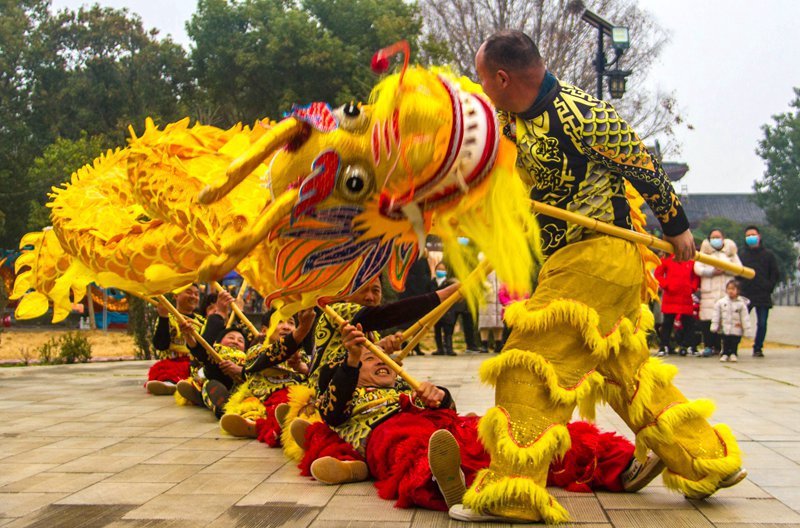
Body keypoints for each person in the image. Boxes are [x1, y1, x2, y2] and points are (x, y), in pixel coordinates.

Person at [460, 30, 744, 523]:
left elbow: (646, 169)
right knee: (627, 373)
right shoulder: (506, 119)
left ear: (503, 78)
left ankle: (513, 491)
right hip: (568, 259)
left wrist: (677, 228)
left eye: (484, 80)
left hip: (599, 256)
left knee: (530, 363)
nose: (481, 88)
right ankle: (702, 459)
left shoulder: (584, 113)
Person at [298, 323, 664, 511]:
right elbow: (331, 412)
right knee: (411, 449)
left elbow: (449, 413)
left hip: (446, 429)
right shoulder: (347, 399)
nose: (381, 362)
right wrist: (349, 359)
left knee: (524, 434)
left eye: (386, 360)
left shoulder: (406, 392)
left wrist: (440, 397)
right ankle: (449, 484)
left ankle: (623, 466)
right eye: (370, 359)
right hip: (390, 434)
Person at [217, 309, 315, 441]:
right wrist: (299, 335)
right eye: (279, 321)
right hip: (262, 396)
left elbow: (313, 374)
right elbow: (268, 358)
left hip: (294, 394)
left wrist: (301, 367)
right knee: (251, 407)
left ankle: (296, 428)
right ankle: (253, 425)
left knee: (303, 404)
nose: (286, 326)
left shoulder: (301, 354)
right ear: (264, 330)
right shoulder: (256, 350)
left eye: (291, 323)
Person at [145, 284, 210, 395]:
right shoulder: (167, 316)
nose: (193, 296)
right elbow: (161, 345)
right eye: (189, 292)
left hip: (195, 363)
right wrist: (163, 317)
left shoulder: (202, 322)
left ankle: (192, 386)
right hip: (172, 362)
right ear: (176, 295)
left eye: (196, 294)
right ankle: (170, 384)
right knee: (168, 372)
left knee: (204, 373)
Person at [694, 229, 742, 357]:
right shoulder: (704, 253)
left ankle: (723, 348)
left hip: (725, 292)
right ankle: (709, 346)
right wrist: (712, 271)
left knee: (724, 320)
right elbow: (697, 268)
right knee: (708, 321)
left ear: (723, 238)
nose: (715, 239)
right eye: (713, 237)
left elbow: (739, 269)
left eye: (718, 237)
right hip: (709, 292)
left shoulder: (730, 253)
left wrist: (725, 269)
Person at [738, 226, 780, 357]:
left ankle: (758, 347)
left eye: (753, 234)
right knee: (740, 321)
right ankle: (733, 346)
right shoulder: (741, 255)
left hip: (763, 294)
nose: (751, 237)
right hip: (746, 293)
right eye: (748, 235)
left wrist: (769, 286)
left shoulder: (768, 255)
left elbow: (775, 273)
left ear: (759, 236)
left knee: (762, 323)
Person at [654, 253, 700, 356]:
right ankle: (664, 346)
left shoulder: (691, 260)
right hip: (670, 296)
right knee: (667, 323)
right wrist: (666, 285)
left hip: (686, 297)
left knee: (688, 322)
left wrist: (692, 287)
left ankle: (688, 345)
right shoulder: (666, 259)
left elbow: (695, 276)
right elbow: (658, 274)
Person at [711, 280, 751, 363]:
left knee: (735, 341)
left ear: (738, 291)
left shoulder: (741, 304)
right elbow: (716, 315)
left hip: (736, 327)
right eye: (729, 289)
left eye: (733, 289)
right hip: (725, 327)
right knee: (725, 340)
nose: (731, 291)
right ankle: (725, 353)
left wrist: (747, 330)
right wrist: (714, 326)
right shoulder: (721, 302)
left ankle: (733, 353)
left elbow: (745, 318)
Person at [431, 262, 457, 356]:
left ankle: (449, 348)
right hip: (435, 310)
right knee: (437, 330)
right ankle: (440, 349)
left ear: (446, 271)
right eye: (439, 269)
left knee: (448, 331)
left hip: (447, 310)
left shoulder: (449, 283)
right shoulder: (432, 282)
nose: (440, 271)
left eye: (442, 269)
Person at [477, 270, 504, 353]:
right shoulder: (482, 260)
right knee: (484, 321)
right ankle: (484, 344)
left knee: (499, 321)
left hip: (500, 296)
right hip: (486, 297)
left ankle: (498, 344)